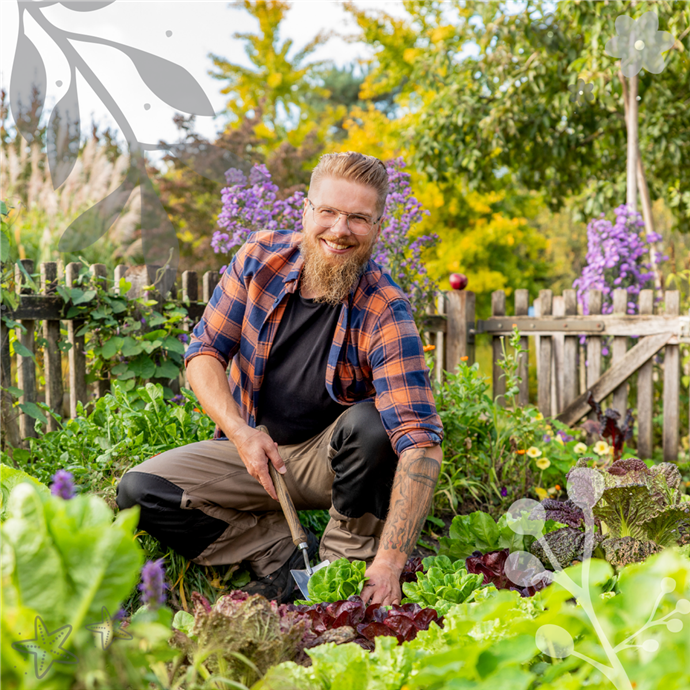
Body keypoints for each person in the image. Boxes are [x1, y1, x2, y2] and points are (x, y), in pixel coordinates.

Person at [116, 152, 443, 606]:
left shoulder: (385, 308)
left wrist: (390, 560)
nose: (339, 229)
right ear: (306, 210)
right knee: (141, 490)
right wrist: (241, 433)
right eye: (327, 211)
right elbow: (204, 352)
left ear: (379, 225)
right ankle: (282, 560)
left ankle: (341, 570)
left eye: (358, 218)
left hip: (330, 465)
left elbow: (421, 444)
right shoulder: (259, 260)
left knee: (373, 426)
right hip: (255, 454)